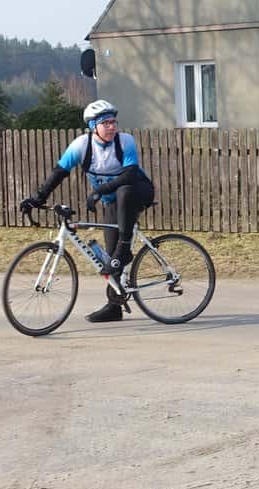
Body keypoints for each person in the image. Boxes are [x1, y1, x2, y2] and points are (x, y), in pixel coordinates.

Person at [19, 100, 156, 323]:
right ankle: (114, 307)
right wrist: (37, 199)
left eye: (114, 122)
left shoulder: (125, 141)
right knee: (111, 258)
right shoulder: (81, 146)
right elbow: (59, 172)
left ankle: (125, 247)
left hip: (138, 191)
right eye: (106, 123)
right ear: (93, 126)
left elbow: (130, 175)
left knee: (124, 194)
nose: (112, 127)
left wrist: (100, 190)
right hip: (113, 202)